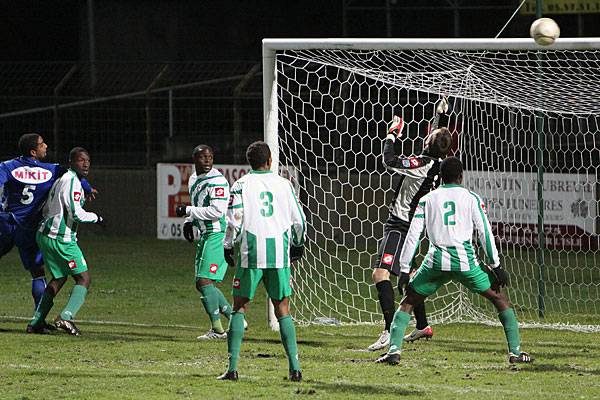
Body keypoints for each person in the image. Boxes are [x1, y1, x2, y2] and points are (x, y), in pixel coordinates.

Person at [376, 157, 533, 365]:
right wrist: (497, 266)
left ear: (440, 176)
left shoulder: (427, 199)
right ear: (461, 176)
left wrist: (405, 269)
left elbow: (414, 234)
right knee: (500, 299)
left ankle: (394, 351)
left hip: (435, 262)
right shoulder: (471, 198)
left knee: (408, 302)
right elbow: (485, 233)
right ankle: (515, 352)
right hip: (465, 262)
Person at [368, 98, 452, 351]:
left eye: (429, 135)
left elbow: (389, 161)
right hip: (414, 227)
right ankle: (422, 325)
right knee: (410, 278)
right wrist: (442, 117)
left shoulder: (422, 163)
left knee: (380, 274)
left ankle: (387, 330)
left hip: (400, 225)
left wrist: (392, 135)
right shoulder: (439, 162)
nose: (426, 136)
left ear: (429, 143)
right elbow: (438, 140)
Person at [218, 141, 306, 382]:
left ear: (250, 163)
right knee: (283, 310)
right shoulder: (285, 184)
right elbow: (299, 220)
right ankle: (295, 369)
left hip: (251, 253)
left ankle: (233, 369)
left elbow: (234, 219)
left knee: (239, 308)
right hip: (279, 254)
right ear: (270, 161)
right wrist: (298, 244)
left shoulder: (241, 185)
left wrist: (227, 245)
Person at [0, 133, 95, 323]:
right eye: (42, 145)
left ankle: (39, 319)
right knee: (38, 272)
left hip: (6, 224)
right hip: (28, 229)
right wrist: (87, 187)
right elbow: (73, 173)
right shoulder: (50, 170)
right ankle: (39, 318)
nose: (46, 147)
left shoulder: (6, 166)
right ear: (34, 152)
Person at [28, 147, 104, 335]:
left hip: (46, 235)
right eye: (80, 160)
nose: (85, 164)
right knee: (83, 278)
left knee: (60, 277)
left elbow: (47, 208)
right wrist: (98, 218)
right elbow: (76, 214)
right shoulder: (72, 182)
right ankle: (65, 317)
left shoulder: (63, 180)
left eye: (88, 160)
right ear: (71, 162)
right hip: (61, 239)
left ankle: (36, 322)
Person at [175, 144, 235, 340]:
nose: (207, 160)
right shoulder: (194, 178)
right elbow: (199, 203)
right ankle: (236, 321)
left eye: (210, 156)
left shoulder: (217, 181)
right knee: (201, 284)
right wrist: (189, 221)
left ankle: (218, 330)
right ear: (195, 160)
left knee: (204, 281)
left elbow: (217, 211)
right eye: (203, 157)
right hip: (205, 234)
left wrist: (188, 211)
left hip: (217, 234)